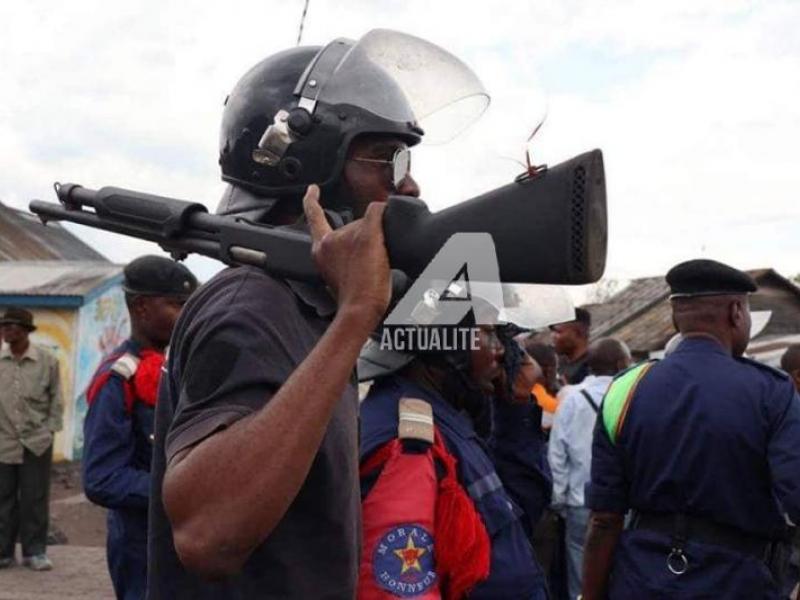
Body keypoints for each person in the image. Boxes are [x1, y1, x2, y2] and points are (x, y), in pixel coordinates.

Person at [146, 31, 488, 599]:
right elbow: (208, 535)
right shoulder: (251, 306)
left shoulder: (302, 303)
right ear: (311, 170)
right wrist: (356, 316)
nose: (410, 183)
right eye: (390, 157)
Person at [582, 259, 800, 600]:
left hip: (640, 580)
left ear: (673, 318)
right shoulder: (771, 392)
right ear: (736, 314)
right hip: (738, 583)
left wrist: (590, 596)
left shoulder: (625, 389)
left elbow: (604, 519)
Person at [357, 298, 550, 599]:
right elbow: (402, 589)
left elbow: (519, 521)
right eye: (487, 333)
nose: (501, 351)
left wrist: (515, 409)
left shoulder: (445, 420)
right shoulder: (407, 440)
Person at [82, 256, 197, 600]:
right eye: (178, 305)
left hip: (185, 541)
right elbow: (101, 479)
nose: (187, 316)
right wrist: (184, 491)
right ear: (142, 307)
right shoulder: (118, 380)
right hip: (141, 548)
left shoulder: (179, 367)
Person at [548, 337, 631, 600]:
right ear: (620, 364)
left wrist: (559, 500)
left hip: (579, 503)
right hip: (625, 504)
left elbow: (557, 454)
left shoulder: (571, 400)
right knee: (624, 572)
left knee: (581, 580)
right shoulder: (632, 396)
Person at [0, 307, 63, 571]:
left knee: (34, 499)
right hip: (3, 442)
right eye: (3, 326)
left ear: (25, 331)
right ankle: (3, 553)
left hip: (36, 441)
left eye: (11, 326)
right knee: (3, 500)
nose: (5, 330)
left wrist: (49, 431)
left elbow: (56, 399)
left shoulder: (47, 361)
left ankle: (34, 552)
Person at [550, 308, 591, 385]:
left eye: (558, 332)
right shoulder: (556, 367)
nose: (552, 336)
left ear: (578, 333)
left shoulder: (596, 366)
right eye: (552, 331)